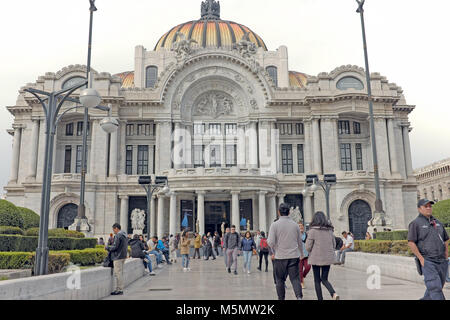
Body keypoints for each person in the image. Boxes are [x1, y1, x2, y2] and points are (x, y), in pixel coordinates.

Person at [408, 199, 449, 300]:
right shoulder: (415, 223)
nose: (428, 208)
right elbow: (411, 242)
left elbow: (446, 239)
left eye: (430, 206)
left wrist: (446, 255)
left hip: (442, 261)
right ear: (419, 209)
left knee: (435, 288)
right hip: (428, 261)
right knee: (435, 288)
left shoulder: (438, 222)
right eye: (425, 206)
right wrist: (421, 259)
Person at [267, 203, 304, 300]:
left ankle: (281, 298)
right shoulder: (295, 225)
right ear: (289, 212)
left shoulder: (274, 225)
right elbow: (300, 241)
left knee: (279, 279)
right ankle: (299, 297)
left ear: (278, 212)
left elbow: (270, 242)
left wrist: (275, 248)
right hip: (293, 256)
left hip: (280, 257)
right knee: (295, 278)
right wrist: (302, 254)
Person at [305, 211, 339, 300]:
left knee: (317, 280)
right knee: (324, 279)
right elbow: (334, 244)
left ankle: (320, 299)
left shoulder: (312, 231)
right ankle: (333, 293)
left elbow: (308, 247)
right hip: (327, 258)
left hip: (316, 259)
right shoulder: (329, 231)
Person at [106, 223, 128, 295]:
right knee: (120, 273)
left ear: (116, 228)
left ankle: (119, 289)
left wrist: (107, 248)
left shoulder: (118, 235)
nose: (113, 231)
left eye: (113, 229)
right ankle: (119, 288)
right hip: (123, 256)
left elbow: (115, 247)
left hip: (118, 256)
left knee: (118, 273)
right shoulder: (124, 235)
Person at [299, 222, 311, 289]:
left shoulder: (306, 234)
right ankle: (301, 282)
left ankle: (303, 276)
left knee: (308, 267)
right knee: (300, 270)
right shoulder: (296, 235)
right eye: (299, 226)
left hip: (306, 255)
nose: (301, 227)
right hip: (299, 256)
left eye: (301, 226)